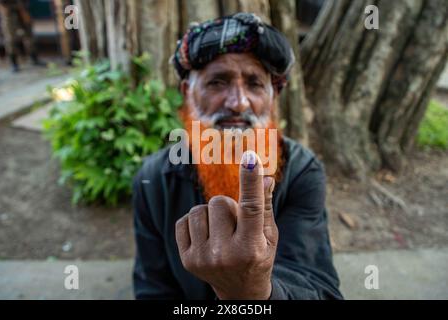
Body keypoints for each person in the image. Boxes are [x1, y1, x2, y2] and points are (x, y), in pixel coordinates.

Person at [132, 12, 343, 300]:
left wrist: (252, 291)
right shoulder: (153, 179)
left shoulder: (301, 172)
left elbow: (319, 289)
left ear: (273, 96)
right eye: (218, 82)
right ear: (187, 91)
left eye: (255, 84)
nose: (238, 103)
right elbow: (153, 289)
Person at [0, 0, 45, 72]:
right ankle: (14, 63)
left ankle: (34, 58)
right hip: (8, 9)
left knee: (29, 36)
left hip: (22, 8)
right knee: (10, 38)